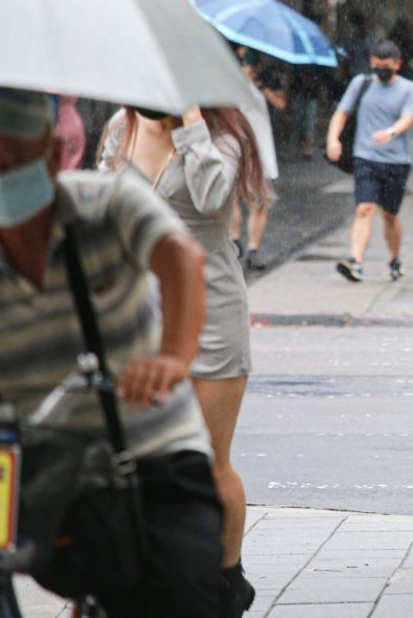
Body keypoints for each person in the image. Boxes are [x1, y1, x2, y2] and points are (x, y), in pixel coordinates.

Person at [0, 86, 224, 616]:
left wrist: (173, 358)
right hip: (43, 470)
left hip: (153, 456)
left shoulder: (110, 201)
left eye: (15, 158)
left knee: (178, 596)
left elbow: (179, 257)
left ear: (51, 153)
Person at [99, 102, 269, 617]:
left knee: (210, 463)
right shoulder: (121, 126)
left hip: (212, 311)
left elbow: (213, 195)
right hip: (140, 316)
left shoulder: (222, 133)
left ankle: (226, 579)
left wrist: (191, 123)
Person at [326, 39, 413, 283]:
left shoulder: (410, 89)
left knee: (390, 215)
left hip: (396, 161)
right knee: (364, 208)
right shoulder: (362, 83)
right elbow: (342, 112)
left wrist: (391, 132)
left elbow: (409, 117)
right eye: (377, 65)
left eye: (386, 66)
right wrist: (332, 140)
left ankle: (394, 258)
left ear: (397, 64)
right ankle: (355, 261)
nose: (381, 70)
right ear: (371, 63)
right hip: (365, 157)